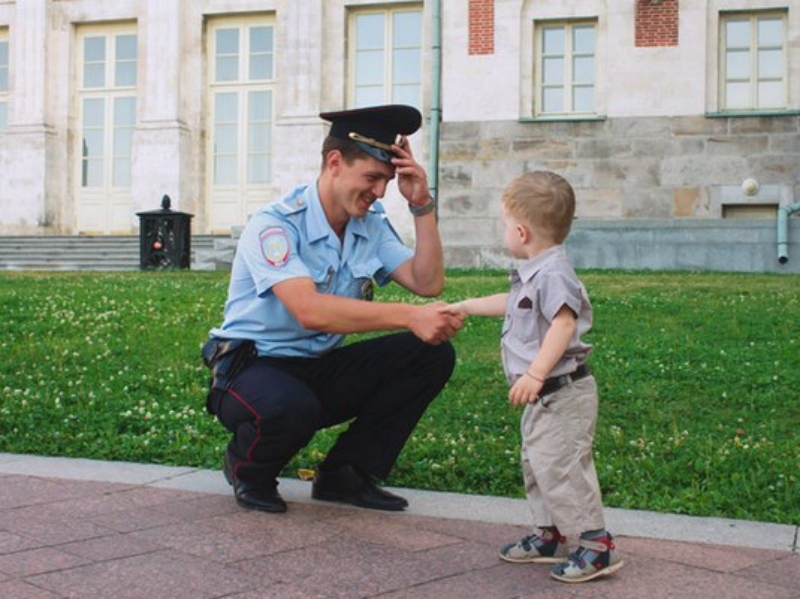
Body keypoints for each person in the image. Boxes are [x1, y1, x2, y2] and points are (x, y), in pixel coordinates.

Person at [202, 104, 463, 514]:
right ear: (335, 162)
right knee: (291, 407)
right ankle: (248, 468)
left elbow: (427, 282)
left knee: (428, 355)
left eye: (387, 181)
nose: (380, 192)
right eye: (373, 178)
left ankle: (346, 474)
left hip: (316, 366)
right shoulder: (276, 224)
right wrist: (410, 316)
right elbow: (309, 311)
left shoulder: (369, 225)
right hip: (252, 367)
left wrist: (421, 205)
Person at [449, 171, 623, 583]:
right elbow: (513, 303)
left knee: (561, 467)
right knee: (539, 464)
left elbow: (562, 325)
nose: (505, 232)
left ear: (522, 231)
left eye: (506, 225)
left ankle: (597, 546)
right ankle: (549, 535)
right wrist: (466, 306)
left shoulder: (554, 273)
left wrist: (534, 372)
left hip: (562, 391)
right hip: (545, 396)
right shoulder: (536, 271)